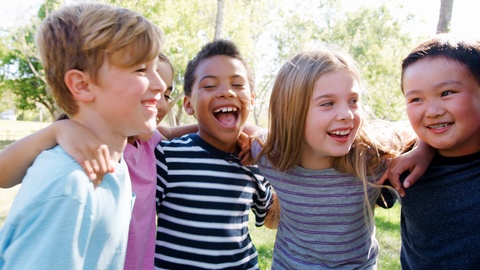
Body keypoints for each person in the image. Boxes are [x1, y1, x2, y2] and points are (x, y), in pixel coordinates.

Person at [0, 3, 165, 269]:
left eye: (156, 68)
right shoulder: (69, 184)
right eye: (140, 69)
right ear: (82, 85)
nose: (160, 85)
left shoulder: (116, 167)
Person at [250, 48, 426, 269]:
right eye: (327, 103)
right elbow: (228, 133)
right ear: (290, 112)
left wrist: (423, 150)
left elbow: (425, 128)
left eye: (353, 101)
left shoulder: (371, 155)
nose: (346, 114)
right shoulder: (270, 154)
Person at [153, 39, 274, 269]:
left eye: (237, 85)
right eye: (209, 86)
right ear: (188, 105)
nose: (227, 92)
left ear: (252, 99)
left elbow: (269, 215)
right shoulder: (168, 157)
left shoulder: (254, 162)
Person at [398, 34, 480, 269]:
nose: (432, 111)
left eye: (447, 93)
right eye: (415, 99)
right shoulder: (402, 163)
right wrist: (422, 147)